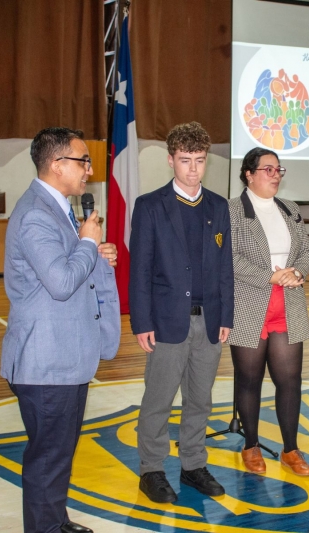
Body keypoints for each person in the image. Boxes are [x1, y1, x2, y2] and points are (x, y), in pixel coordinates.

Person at [1, 127, 121, 533]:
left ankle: (55, 521)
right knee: (49, 458)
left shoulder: (56, 208)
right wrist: (88, 244)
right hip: (46, 361)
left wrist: (91, 250)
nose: (89, 169)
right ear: (56, 165)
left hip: (63, 357)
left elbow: (65, 265)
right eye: (82, 160)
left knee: (59, 454)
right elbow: (61, 282)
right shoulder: (36, 212)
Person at [129, 122, 234, 503]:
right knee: (158, 398)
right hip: (166, 321)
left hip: (209, 321)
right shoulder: (150, 206)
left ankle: (192, 465)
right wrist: (141, 321)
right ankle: (152, 469)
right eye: (185, 160)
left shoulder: (219, 206)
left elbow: (225, 268)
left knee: (200, 399)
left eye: (200, 160)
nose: (193, 169)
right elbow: (139, 269)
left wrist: (226, 316)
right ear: (171, 160)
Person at [227, 147, 309, 476]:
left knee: (290, 381)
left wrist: (299, 273)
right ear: (249, 174)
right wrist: (269, 276)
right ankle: (250, 445)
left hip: (288, 305)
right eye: (267, 169)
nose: (275, 174)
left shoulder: (290, 209)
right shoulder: (232, 211)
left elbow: (306, 248)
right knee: (250, 380)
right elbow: (230, 257)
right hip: (250, 305)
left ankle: (290, 450)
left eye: (279, 169)